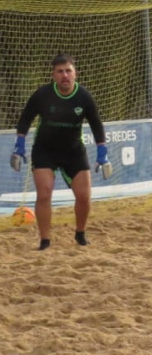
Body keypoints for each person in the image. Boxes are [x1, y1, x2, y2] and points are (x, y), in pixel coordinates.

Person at [11, 53, 113, 250]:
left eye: (68, 71)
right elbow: (25, 119)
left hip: (73, 151)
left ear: (75, 73)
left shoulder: (84, 97)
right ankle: (45, 240)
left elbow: (96, 125)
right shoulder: (42, 95)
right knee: (44, 193)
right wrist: (19, 146)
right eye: (60, 72)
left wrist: (103, 153)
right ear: (53, 75)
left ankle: (80, 233)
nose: (65, 75)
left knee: (84, 196)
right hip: (44, 150)